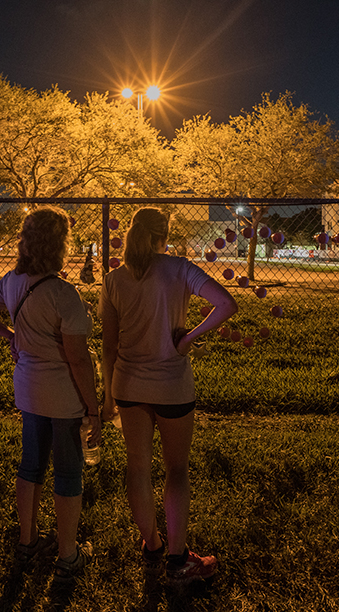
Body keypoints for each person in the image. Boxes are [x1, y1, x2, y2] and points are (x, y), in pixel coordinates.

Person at [99, 207, 238, 585]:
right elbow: (227, 304)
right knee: (176, 470)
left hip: (128, 386)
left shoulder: (113, 279)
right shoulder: (181, 269)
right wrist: (188, 338)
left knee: (137, 468)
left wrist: (108, 396)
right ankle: (178, 561)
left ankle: (153, 545)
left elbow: (108, 345)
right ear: (164, 235)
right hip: (172, 386)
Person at [0, 206, 100, 581]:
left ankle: (27, 541)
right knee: (68, 471)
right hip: (63, 396)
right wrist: (93, 409)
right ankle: (68, 554)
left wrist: (12, 336)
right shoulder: (64, 295)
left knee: (31, 465)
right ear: (60, 245)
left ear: (26, 242)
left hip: (28, 390)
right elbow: (77, 360)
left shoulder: (12, 283)